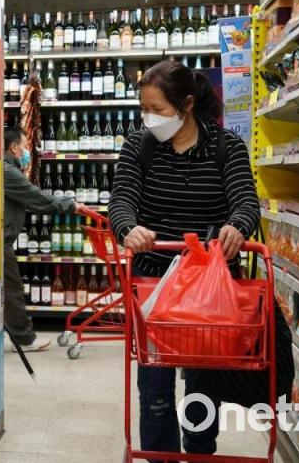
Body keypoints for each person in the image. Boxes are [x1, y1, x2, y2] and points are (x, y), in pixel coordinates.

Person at [108, 61, 261, 461]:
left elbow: (246, 200)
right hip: (154, 284)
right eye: (144, 108)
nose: (148, 118)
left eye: (157, 109)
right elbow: (121, 201)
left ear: (187, 104)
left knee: (202, 384)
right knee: (154, 386)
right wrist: (128, 229)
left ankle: (199, 452)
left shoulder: (226, 146)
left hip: (209, 285)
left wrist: (237, 226)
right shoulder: (138, 146)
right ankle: (161, 457)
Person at [4, 127, 81, 352]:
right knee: (12, 290)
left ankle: (12, 335)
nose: (28, 151)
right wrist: (72, 205)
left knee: (7, 290)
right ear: (14, 147)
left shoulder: (6, 168)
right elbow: (38, 199)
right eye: (26, 146)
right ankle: (24, 339)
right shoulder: (8, 171)